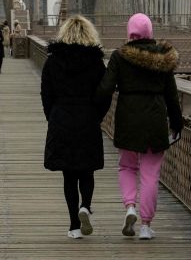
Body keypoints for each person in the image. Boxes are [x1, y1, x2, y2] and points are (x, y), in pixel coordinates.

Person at [95, 12, 183, 240]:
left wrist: (97, 115)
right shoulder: (165, 58)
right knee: (150, 174)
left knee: (127, 166)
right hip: (155, 119)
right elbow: (172, 96)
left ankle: (130, 208)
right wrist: (176, 124)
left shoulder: (119, 56)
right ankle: (145, 225)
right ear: (150, 33)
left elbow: (105, 89)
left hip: (127, 118)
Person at [41, 14, 107, 239]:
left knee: (69, 175)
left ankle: (74, 227)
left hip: (61, 117)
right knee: (86, 170)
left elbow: (46, 93)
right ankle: (85, 207)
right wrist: (97, 115)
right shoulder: (96, 62)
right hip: (88, 117)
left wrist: (53, 117)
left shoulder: (53, 60)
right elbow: (104, 94)